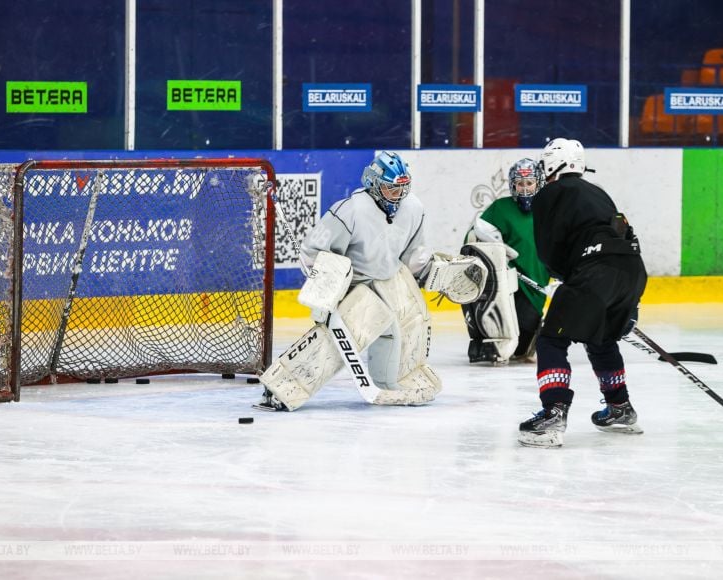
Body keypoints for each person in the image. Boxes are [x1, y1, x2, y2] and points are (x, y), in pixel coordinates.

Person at [256, 151, 486, 412]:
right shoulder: (349, 211)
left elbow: (413, 256)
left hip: (391, 276)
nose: (398, 196)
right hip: (355, 282)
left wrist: (434, 272)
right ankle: (282, 386)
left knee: (412, 323)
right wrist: (328, 286)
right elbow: (312, 253)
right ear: (374, 185)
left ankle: (396, 380)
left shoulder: (414, 208)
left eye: (402, 189)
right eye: (391, 189)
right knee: (343, 338)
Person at [517, 138, 647, 448]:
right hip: (633, 271)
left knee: (551, 339)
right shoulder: (598, 192)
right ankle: (619, 407)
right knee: (600, 337)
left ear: (552, 164)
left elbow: (549, 253)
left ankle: (553, 412)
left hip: (595, 272)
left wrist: (570, 278)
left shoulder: (551, 193)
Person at [461, 158, 551, 364]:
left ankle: (536, 330)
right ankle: (480, 339)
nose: (525, 189)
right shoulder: (501, 208)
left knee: (519, 349)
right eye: (520, 184)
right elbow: (474, 238)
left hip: (535, 287)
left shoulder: (549, 209)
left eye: (530, 183)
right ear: (513, 185)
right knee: (497, 334)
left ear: (539, 183)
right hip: (506, 284)